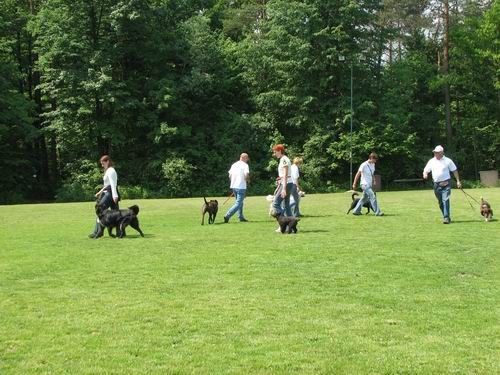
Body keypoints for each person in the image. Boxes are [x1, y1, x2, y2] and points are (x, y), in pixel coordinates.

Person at [423, 145, 462, 224]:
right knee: (440, 202)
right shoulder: (432, 161)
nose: (435, 154)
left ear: (441, 153)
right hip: (436, 185)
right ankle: (446, 216)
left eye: (437, 152)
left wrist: (458, 181)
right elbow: (426, 170)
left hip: (446, 183)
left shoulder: (448, 161)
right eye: (434, 152)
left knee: (445, 200)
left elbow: (454, 170)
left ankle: (446, 217)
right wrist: (425, 174)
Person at [89, 155, 120, 238]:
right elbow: (107, 185)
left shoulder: (111, 171)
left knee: (100, 211)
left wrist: (115, 196)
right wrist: (100, 192)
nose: (102, 165)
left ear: (107, 162)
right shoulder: (108, 171)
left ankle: (98, 232)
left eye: (103, 163)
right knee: (116, 214)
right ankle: (119, 233)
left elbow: (113, 185)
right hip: (109, 193)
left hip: (110, 194)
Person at [351, 152, 384, 216]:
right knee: (373, 196)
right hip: (364, 184)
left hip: (369, 184)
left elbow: (372, 173)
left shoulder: (373, 164)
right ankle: (378, 212)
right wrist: (354, 184)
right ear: (371, 158)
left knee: (364, 198)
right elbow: (358, 174)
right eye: (375, 159)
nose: (375, 161)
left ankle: (356, 211)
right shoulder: (363, 165)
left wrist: (374, 180)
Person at [223, 153, 250, 223]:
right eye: (247, 158)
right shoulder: (245, 165)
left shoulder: (234, 165)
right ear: (243, 158)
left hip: (234, 186)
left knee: (240, 203)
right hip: (241, 187)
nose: (248, 160)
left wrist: (233, 183)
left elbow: (229, 176)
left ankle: (241, 217)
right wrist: (248, 180)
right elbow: (246, 175)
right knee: (238, 203)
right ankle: (227, 215)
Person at [271, 144, 294, 218]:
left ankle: (284, 222)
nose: (274, 154)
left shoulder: (284, 159)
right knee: (286, 204)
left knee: (275, 203)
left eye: (275, 152)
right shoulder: (283, 159)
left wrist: (284, 188)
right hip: (287, 183)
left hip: (286, 183)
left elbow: (285, 174)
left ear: (280, 151)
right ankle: (290, 224)